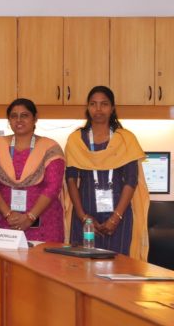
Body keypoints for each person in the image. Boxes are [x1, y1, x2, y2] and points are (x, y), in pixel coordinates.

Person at [64, 86, 150, 259]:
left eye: (104, 104)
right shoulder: (76, 139)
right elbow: (71, 179)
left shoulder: (126, 139)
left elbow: (131, 180)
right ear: (88, 108)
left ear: (112, 108)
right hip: (84, 215)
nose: (98, 109)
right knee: (81, 267)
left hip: (119, 216)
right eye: (93, 104)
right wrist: (83, 217)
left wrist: (115, 218)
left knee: (118, 266)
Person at [0, 99, 66, 242]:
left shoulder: (50, 148)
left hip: (42, 221)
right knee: (2, 256)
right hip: (1, 220)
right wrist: (8, 214)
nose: (19, 120)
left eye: (25, 115)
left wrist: (30, 216)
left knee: (40, 256)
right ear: (9, 120)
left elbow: (53, 187)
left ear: (35, 118)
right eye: (14, 116)